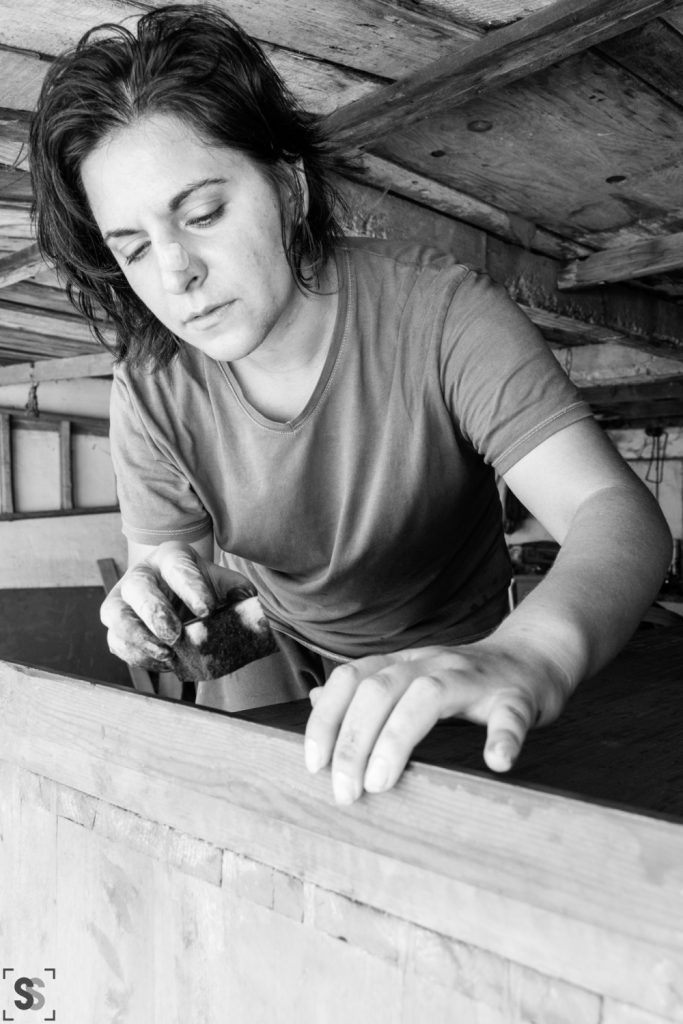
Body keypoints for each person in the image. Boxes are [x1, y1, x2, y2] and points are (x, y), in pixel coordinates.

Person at [29, 3, 672, 806]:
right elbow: (168, 571)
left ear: (288, 186)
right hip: (289, 658)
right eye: (131, 249)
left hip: (466, 656)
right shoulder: (149, 385)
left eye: (202, 215)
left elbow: (613, 512)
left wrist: (530, 653)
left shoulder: (441, 313)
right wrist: (164, 608)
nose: (173, 272)